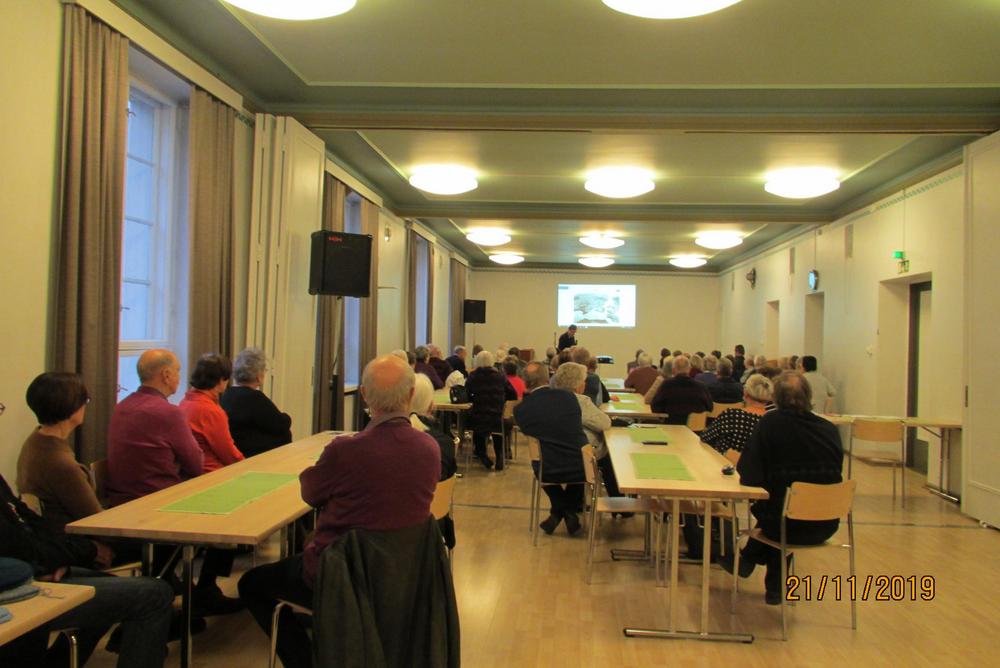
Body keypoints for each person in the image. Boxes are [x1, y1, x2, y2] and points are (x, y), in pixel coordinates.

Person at [238, 355, 439, 668]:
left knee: (251, 584)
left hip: (337, 576)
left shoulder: (345, 450)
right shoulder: (429, 449)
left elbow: (310, 493)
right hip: (401, 574)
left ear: (364, 395)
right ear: (411, 394)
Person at [106, 349, 240, 615]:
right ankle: (206, 589)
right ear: (166, 375)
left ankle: (175, 582)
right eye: (177, 371)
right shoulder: (168, 412)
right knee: (232, 514)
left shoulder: (122, 407)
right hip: (158, 505)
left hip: (120, 502)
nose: (180, 376)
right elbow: (195, 463)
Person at [718, 372, 844, 604]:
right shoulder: (829, 429)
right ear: (808, 396)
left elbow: (749, 475)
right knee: (786, 505)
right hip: (827, 521)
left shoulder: (771, 424)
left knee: (780, 510)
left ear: (775, 398)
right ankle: (768, 581)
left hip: (783, 522)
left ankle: (749, 558)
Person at [16, 372, 103, 532]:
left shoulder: (35, 440)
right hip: (71, 540)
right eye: (85, 400)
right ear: (72, 407)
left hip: (46, 535)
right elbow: (96, 523)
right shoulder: (62, 464)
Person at [514, 363, 588, 536]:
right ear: (548, 378)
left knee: (537, 460)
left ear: (525, 382)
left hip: (547, 469)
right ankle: (567, 513)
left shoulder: (521, 410)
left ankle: (558, 513)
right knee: (580, 459)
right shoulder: (569, 397)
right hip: (580, 467)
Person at [551, 363, 624, 499]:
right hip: (580, 455)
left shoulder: (551, 398)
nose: (585, 384)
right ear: (577, 384)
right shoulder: (580, 401)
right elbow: (604, 423)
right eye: (584, 381)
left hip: (554, 454)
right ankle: (618, 499)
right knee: (611, 454)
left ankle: (575, 501)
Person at [409, 373, 458, 550]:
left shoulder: (386, 441)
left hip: (393, 528)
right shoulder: (445, 443)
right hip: (435, 522)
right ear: (431, 405)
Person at [220, 347, 292, 458]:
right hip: (252, 453)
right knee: (284, 434)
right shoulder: (254, 397)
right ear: (258, 376)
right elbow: (280, 424)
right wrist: (287, 417)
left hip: (235, 447)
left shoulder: (227, 395)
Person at [180, 353, 244, 473]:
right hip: (211, 473)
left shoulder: (184, 403)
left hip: (190, 471)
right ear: (221, 380)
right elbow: (228, 453)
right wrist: (246, 466)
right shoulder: (210, 411)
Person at [465, 350, 516, 470]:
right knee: (498, 429)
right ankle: (499, 456)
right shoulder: (500, 376)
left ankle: (482, 455)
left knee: (476, 428)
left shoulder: (473, 376)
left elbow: (466, 394)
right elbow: (513, 394)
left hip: (479, 417)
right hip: (497, 417)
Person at [700, 374, 773, 457]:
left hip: (723, 463)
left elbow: (705, 437)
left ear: (745, 393)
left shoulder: (731, 415)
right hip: (755, 464)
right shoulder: (772, 423)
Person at [650, 356, 713, 425]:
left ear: (673, 370)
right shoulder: (701, 386)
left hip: (672, 426)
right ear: (689, 369)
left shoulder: (667, 385)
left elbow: (655, 406)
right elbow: (710, 407)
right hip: (696, 428)